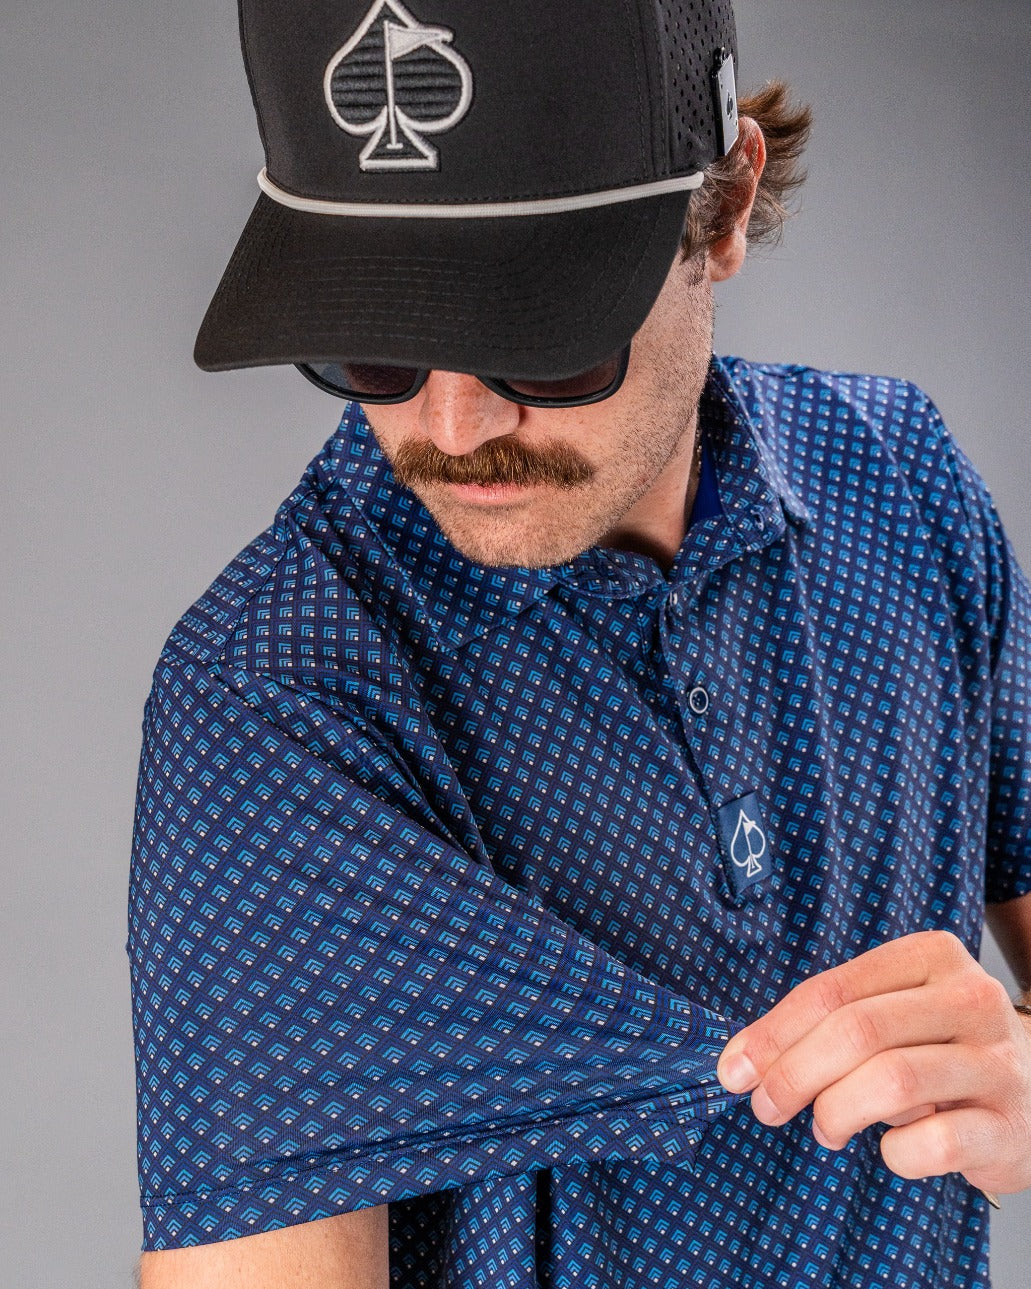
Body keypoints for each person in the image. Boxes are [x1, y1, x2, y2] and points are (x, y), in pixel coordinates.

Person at [128, 2, 1031, 1286]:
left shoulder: (899, 476)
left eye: (539, 332)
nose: (451, 422)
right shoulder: (276, 690)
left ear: (718, 216)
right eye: (374, 335)